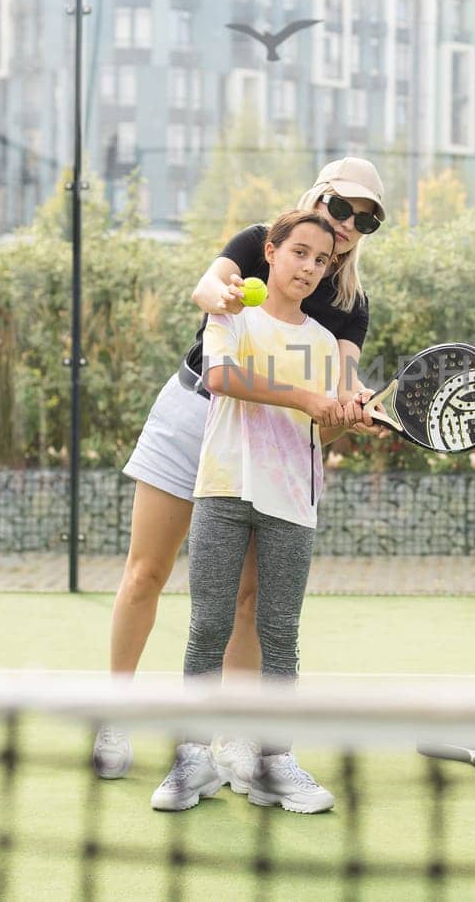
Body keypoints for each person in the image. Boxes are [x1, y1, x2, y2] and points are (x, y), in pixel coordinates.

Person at [93, 158, 388, 781]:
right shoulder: (261, 241)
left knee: (249, 601)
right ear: (319, 196)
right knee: (146, 572)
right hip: (193, 414)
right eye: (342, 207)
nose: (349, 224)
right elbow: (206, 290)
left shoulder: (349, 304)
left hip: (271, 448)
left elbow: (340, 384)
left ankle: (229, 734)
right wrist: (223, 295)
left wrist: (351, 407)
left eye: (367, 218)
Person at [149, 209, 351, 813]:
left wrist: (338, 418)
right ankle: (190, 761)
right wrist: (307, 396)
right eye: (300, 253)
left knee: (280, 637)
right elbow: (219, 377)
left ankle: (274, 764)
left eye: (322, 260)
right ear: (270, 251)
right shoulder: (230, 314)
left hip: (293, 502)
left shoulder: (322, 341)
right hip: (223, 491)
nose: (310, 267)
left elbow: (320, 430)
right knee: (207, 628)